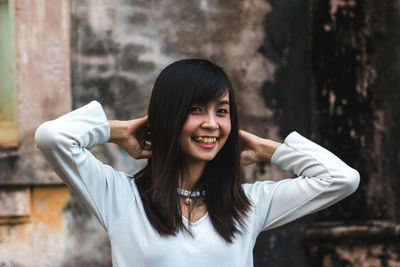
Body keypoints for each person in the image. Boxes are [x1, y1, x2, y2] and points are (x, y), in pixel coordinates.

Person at [35, 59, 360, 267]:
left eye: (221, 111)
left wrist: (267, 149)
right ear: (168, 117)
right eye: (195, 110)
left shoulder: (249, 204)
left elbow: (341, 179)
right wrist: (118, 130)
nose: (212, 124)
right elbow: (52, 137)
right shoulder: (121, 198)